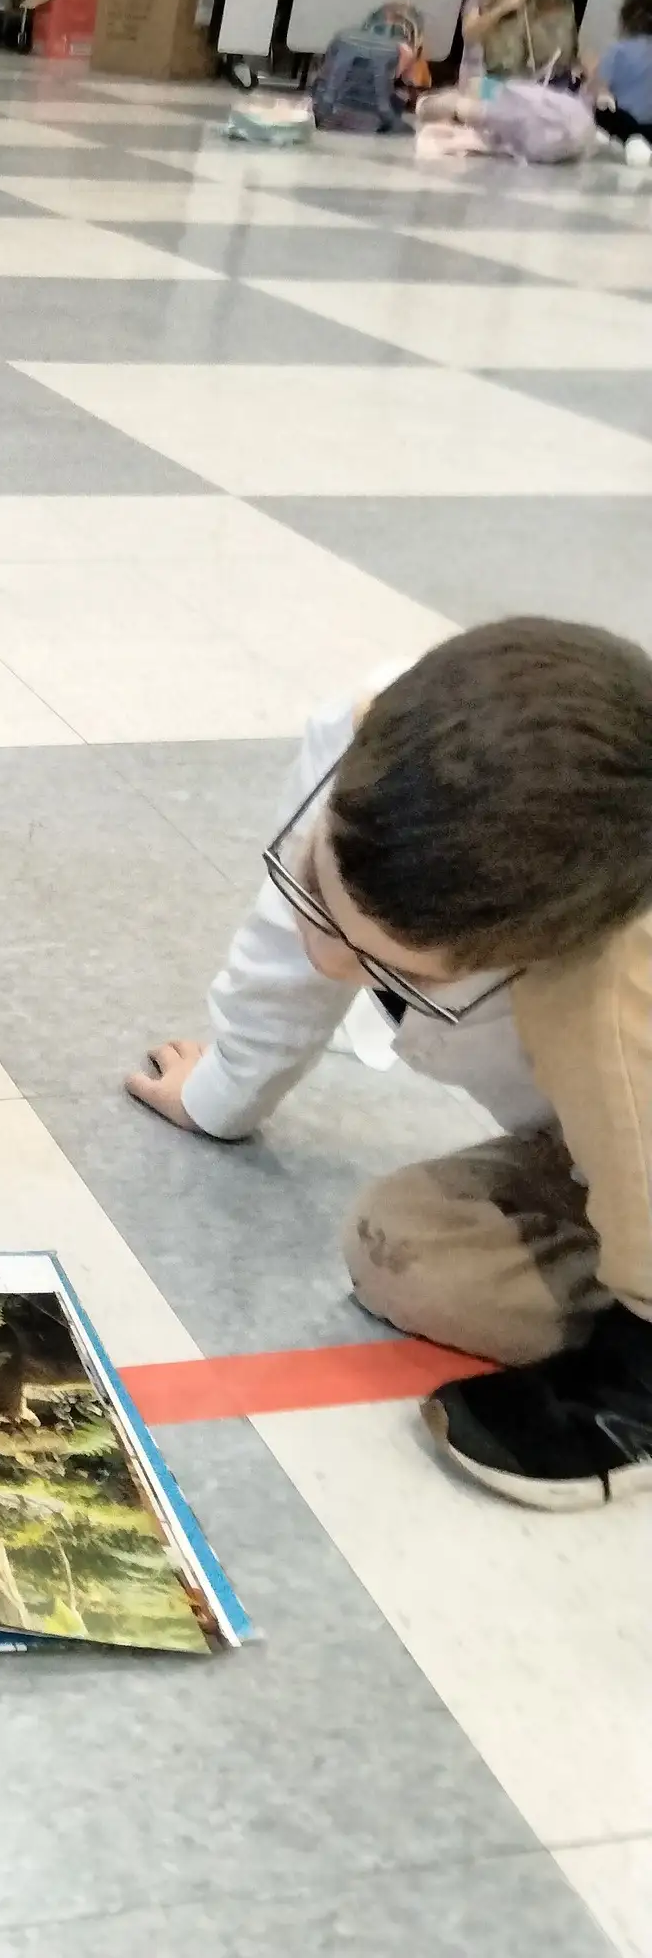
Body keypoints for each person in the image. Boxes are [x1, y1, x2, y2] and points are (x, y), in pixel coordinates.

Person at [127, 619, 652, 1513]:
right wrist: (222, 1094)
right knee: (405, 1247)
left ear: (535, 950)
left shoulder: (612, 970)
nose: (330, 961)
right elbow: (289, 953)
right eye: (319, 891)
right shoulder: (382, 737)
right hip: (590, 1136)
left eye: (399, 973)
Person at [593, 0, 652, 164]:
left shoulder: (618, 50)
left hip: (623, 125)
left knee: (603, 111)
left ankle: (625, 141)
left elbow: (600, 91)